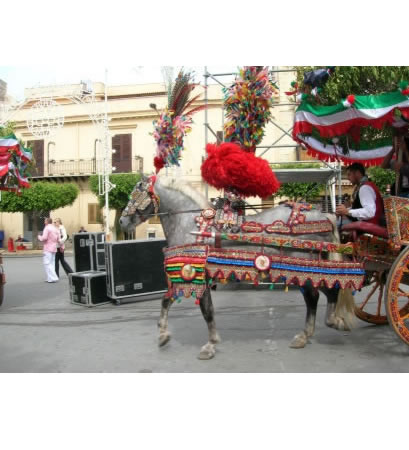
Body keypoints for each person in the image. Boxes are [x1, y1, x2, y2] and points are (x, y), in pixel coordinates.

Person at [381, 132, 409, 198]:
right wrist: (393, 149)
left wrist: (405, 150)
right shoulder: (398, 162)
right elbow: (383, 165)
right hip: (399, 191)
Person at [38, 218, 60, 283]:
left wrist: (39, 237)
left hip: (48, 247)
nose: (44, 222)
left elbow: (44, 238)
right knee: (52, 263)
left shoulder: (47, 228)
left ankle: (53, 277)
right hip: (54, 247)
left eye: (45, 221)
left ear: (47, 222)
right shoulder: (55, 228)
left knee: (47, 263)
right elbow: (58, 238)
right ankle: (49, 278)